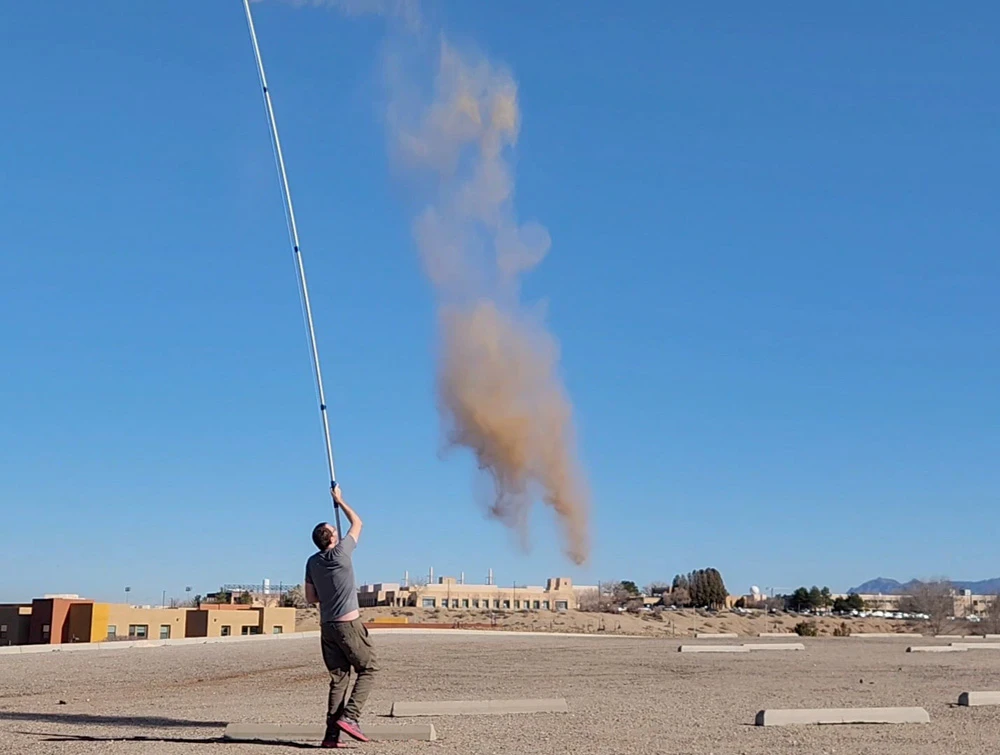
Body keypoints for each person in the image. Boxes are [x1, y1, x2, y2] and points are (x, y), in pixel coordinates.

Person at [305, 485, 378, 748]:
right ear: (333, 539)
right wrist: (340, 500)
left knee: (339, 679)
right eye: (335, 531)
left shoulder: (312, 562)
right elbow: (358, 522)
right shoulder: (341, 553)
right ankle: (351, 717)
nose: (338, 533)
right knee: (369, 669)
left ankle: (330, 737)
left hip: (327, 626)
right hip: (348, 624)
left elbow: (311, 598)